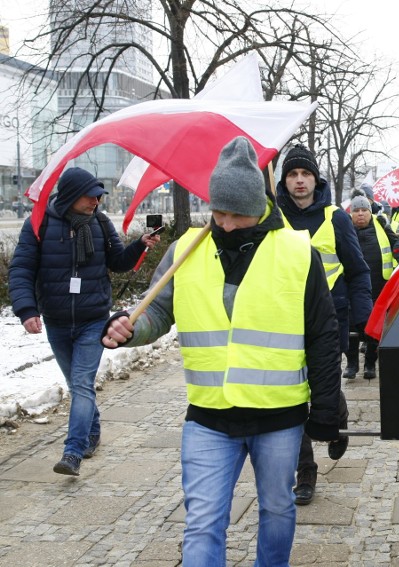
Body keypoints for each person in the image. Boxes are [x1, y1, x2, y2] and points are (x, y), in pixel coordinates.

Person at [100, 137, 341, 566]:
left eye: (236, 213)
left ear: (260, 205)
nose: (225, 223)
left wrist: (325, 406)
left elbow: (322, 334)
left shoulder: (296, 251)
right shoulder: (185, 250)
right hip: (209, 417)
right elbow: (157, 312)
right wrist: (130, 329)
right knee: (203, 521)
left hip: (278, 416)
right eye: (218, 211)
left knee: (278, 509)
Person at [9, 167, 160, 476]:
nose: (96, 201)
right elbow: (22, 269)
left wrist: (140, 244)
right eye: (90, 195)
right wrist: (27, 310)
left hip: (93, 319)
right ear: (70, 196)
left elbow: (118, 262)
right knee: (78, 385)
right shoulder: (38, 224)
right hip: (56, 320)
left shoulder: (100, 223)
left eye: (98, 196)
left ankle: (73, 451)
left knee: (80, 383)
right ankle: (91, 431)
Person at [276, 143, 373, 506]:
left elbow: (359, 270)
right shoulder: (272, 217)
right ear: (284, 181)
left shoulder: (337, 217)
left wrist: (365, 318)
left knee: (324, 390)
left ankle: (337, 413)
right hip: (283, 320)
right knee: (293, 397)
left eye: (306, 174)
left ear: (316, 179)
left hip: (331, 320)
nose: (300, 181)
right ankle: (306, 471)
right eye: (292, 175)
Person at [346, 195, 398, 379]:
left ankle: (370, 364)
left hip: (378, 286)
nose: (360, 214)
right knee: (350, 327)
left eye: (364, 210)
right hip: (351, 288)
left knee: (374, 327)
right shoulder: (344, 228)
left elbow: (398, 246)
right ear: (351, 213)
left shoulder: (382, 226)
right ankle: (351, 364)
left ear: (370, 211)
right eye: (356, 211)